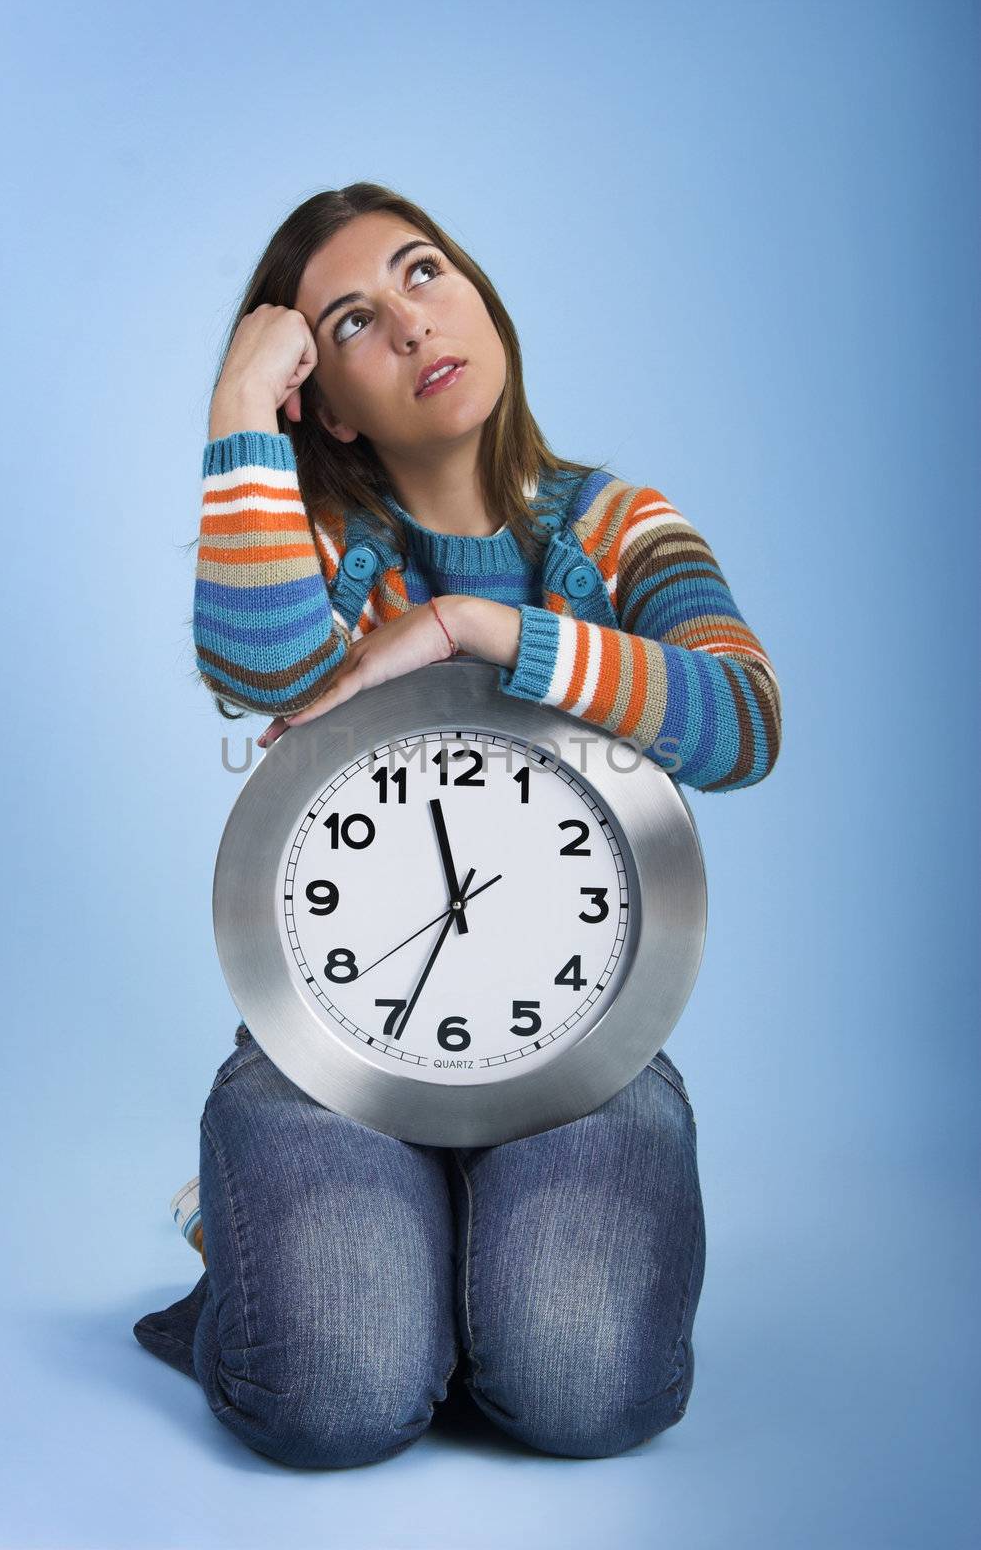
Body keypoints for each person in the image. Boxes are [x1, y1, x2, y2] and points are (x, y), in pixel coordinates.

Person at [132, 181, 782, 1469]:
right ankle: (254, 1248)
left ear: (480, 292)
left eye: (426, 274)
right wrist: (235, 411)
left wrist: (480, 630)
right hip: (335, 1045)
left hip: (576, 1045)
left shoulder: (618, 527)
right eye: (356, 323)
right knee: (334, 1404)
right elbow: (257, 669)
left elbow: (744, 722)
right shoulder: (318, 535)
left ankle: (444, 1247)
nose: (416, 326)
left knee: (586, 1397)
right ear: (324, 400)